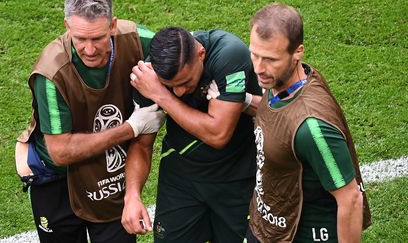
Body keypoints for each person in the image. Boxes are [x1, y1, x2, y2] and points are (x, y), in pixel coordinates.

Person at [15, 0, 165, 242]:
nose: (90, 49)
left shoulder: (139, 40)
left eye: (98, 39)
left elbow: (188, 49)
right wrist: (132, 128)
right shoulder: (51, 72)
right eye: (80, 39)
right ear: (66, 26)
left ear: (113, 25)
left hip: (108, 173)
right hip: (58, 179)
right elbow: (60, 152)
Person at [245, 3, 372, 243]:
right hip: (269, 226)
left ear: (297, 52)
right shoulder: (281, 82)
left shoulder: (313, 128)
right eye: (254, 54)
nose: (259, 68)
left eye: (270, 59)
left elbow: (351, 199)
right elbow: (277, 116)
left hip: (301, 235)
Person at [121, 27, 262, 242]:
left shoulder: (229, 55)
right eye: (171, 86)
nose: (179, 91)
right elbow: (141, 144)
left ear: (201, 54)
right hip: (181, 179)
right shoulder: (148, 75)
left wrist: (161, 95)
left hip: (236, 177)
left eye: (186, 82)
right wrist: (132, 195)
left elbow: (218, 135)